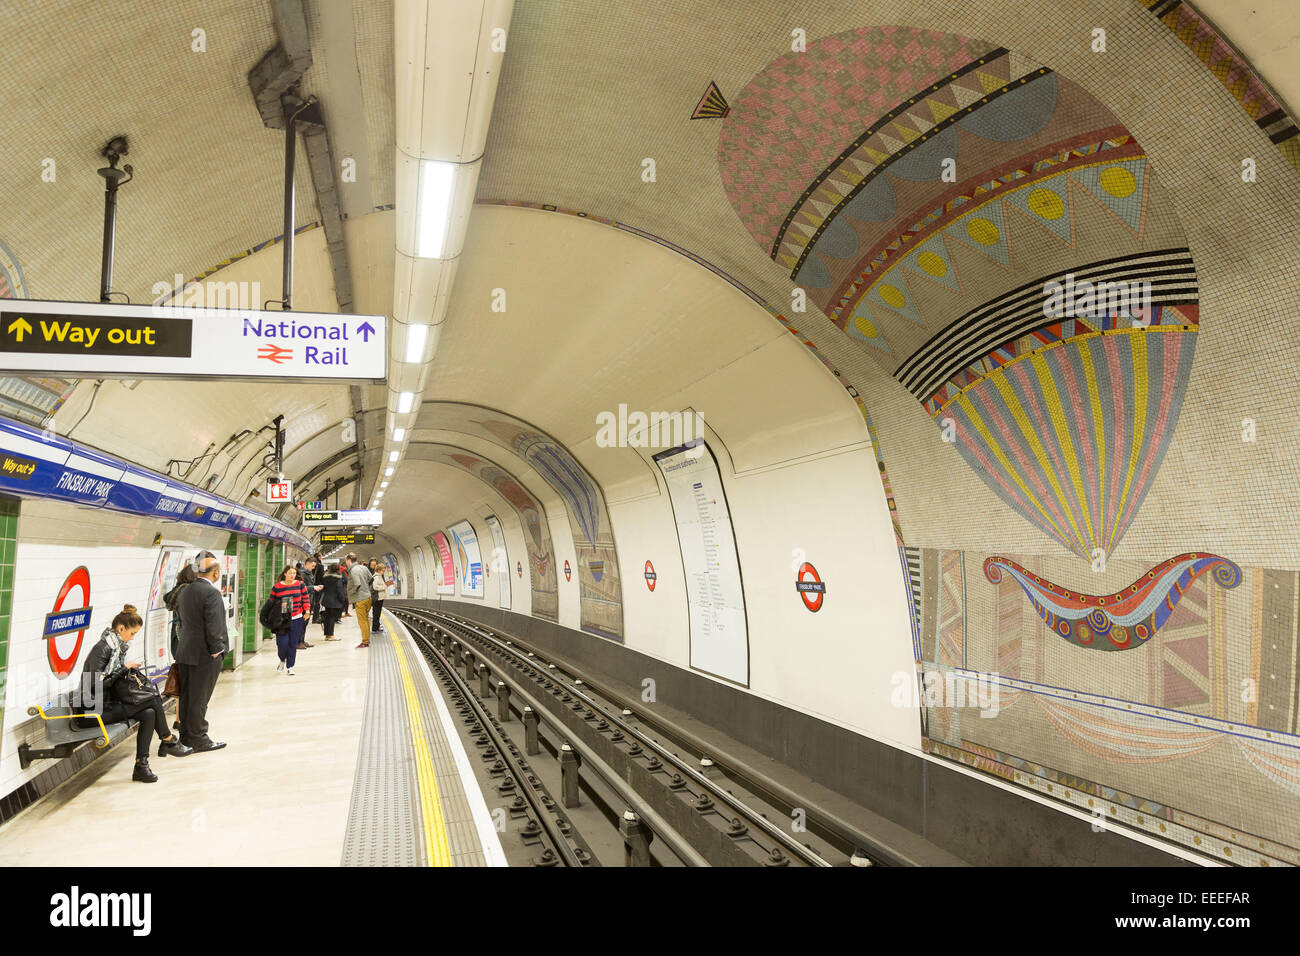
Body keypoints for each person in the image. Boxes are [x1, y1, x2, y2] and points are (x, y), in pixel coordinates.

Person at [82, 605, 191, 782]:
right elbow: (95, 686)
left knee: (148, 713)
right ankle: (168, 739)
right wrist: (123, 669)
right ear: (121, 628)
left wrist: (124, 670)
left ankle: (142, 765)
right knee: (152, 700)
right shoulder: (101, 649)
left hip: (108, 703)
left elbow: (111, 680)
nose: (132, 638)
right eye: (132, 633)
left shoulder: (115, 648)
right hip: (92, 709)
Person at [175, 551, 229, 752]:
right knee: (200, 697)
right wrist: (217, 649)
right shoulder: (211, 593)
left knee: (188, 696)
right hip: (204, 653)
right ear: (214, 572)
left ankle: (186, 736)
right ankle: (199, 737)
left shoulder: (185, 591)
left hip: (186, 651)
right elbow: (213, 625)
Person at [162, 561, 199, 736]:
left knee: (184, 678)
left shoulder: (176, 592)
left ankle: (179, 718)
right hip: (186, 640)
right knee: (187, 680)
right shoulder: (188, 592)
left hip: (177, 638)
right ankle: (181, 718)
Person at [269, 565, 309, 674]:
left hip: (296, 618)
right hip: (282, 620)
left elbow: (305, 598)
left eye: (294, 573)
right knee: (282, 643)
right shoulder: (277, 587)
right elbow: (271, 602)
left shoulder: (300, 584)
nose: (292, 575)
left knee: (293, 643)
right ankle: (282, 659)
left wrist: (307, 611)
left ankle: (290, 666)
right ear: (285, 574)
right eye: (290, 573)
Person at [345, 552, 373, 648]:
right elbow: (371, 579)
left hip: (360, 599)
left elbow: (357, 584)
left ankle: (365, 641)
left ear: (349, 560)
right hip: (368, 597)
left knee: (362, 621)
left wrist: (350, 592)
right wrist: (366, 588)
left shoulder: (353, 570)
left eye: (346, 561)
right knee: (366, 619)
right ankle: (367, 639)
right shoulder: (364, 568)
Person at [298, 557, 322, 649]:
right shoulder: (302, 574)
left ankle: (302, 641)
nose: (313, 568)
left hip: (309, 600)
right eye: (312, 566)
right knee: (302, 623)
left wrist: (314, 587)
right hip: (303, 602)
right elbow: (300, 588)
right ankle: (298, 642)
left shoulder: (309, 573)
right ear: (307, 563)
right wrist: (313, 587)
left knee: (305, 622)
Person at [320, 562, 347, 641]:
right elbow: (339, 590)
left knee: (327, 618)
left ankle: (327, 635)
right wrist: (343, 599)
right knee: (332, 618)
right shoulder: (338, 578)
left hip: (326, 600)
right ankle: (331, 635)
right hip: (335, 601)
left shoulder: (325, 578)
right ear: (338, 569)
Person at [369, 558, 389, 635]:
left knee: (377, 614)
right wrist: (384, 587)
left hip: (379, 598)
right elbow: (375, 587)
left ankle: (376, 627)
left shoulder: (379, 576)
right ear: (379, 570)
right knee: (376, 614)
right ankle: (374, 629)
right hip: (378, 598)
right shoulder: (377, 577)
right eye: (383, 570)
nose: (383, 572)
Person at [308, 553, 325, 624]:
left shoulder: (310, 565)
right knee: (317, 602)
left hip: (311, 585)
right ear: (319, 557)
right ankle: (315, 619)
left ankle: (307, 616)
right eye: (321, 556)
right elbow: (322, 576)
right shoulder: (320, 566)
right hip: (318, 586)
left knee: (311, 601)